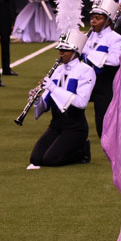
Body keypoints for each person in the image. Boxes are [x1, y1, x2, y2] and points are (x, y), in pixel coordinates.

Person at [29, 28, 95, 166]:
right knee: (36, 159)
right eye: (60, 50)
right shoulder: (57, 71)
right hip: (56, 125)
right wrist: (37, 100)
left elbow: (81, 102)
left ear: (75, 52)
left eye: (65, 50)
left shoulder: (86, 71)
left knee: (50, 160)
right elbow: (46, 105)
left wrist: (53, 88)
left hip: (75, 127)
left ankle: (82, 150)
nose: (61, 53)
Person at [81, 0, 121, 137]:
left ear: (108, 21)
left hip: (105, 85)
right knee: (67, 108)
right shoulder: (88, 37)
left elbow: (114, 61)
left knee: (103, 126)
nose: (93, 21)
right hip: (87, 82)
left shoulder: (116, 38)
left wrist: (87, 51)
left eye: (97, 18)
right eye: (92, 18)